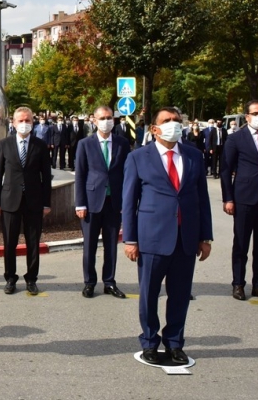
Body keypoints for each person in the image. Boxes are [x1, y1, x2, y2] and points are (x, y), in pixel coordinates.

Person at [123, 107, 212, 366]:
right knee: (149, 294)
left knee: (181, 294)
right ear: (154, 129)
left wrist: (205, 237)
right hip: (152, 238)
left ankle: (174, 343)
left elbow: (202, 199)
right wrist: (130, 239)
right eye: (167, 121)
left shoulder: (194, 156)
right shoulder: (139, 157)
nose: (174, 124)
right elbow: (129, 202)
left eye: (177, 120)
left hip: (186, 239)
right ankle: (150, 341)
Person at [0, 107, 52, 295]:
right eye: (21, 120)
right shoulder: (4, 144)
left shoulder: (40, 145)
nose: (24, 124)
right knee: (10, 242)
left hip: (34, 202)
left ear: (33, 123)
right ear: (14, 123)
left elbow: (46, 176)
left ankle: (31, 279)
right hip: (10, 201)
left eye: (28, 120)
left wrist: (47, 203)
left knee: (33, 242)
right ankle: (10, 278)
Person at [75, 106, 130, 299]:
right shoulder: (85, 144)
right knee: (89, 245)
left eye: (109, 117)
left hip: (114, 202)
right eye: (102, 118)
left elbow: (127, 174)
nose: (106, 121)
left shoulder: (123, 143)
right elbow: (80, 175)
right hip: (91, 203)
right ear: (94, 121)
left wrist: (126, 202)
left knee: (111, 245)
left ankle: (109, 282)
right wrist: (80, 204)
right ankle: (89, 282)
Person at [221, 100, 258, 302]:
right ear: (247, 116)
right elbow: (225, 170)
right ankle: (238, 284)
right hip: (244, 198)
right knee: (241, 244)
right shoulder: (236, 139)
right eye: (256, 113)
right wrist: (228, 198)